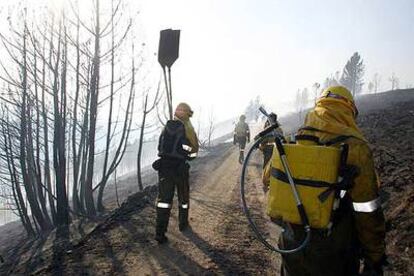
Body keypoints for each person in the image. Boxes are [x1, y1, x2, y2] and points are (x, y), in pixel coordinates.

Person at [263, 86, 386, 275]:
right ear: (349, 110)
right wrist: (375, 257)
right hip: (336, 254)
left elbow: (267, 180)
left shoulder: (295, 139)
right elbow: (367, 210)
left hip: (292, 245)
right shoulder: (356, 148)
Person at [153, 103, 199, 244]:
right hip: (180, 169)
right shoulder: (188, 127)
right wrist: (187, 157)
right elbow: (194, 151)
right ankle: (183, 224)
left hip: (164, 168)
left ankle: (160, 233)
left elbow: (159, 147)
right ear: (188, 114)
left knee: (164, 202)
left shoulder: (167, 126)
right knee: (183, 199)